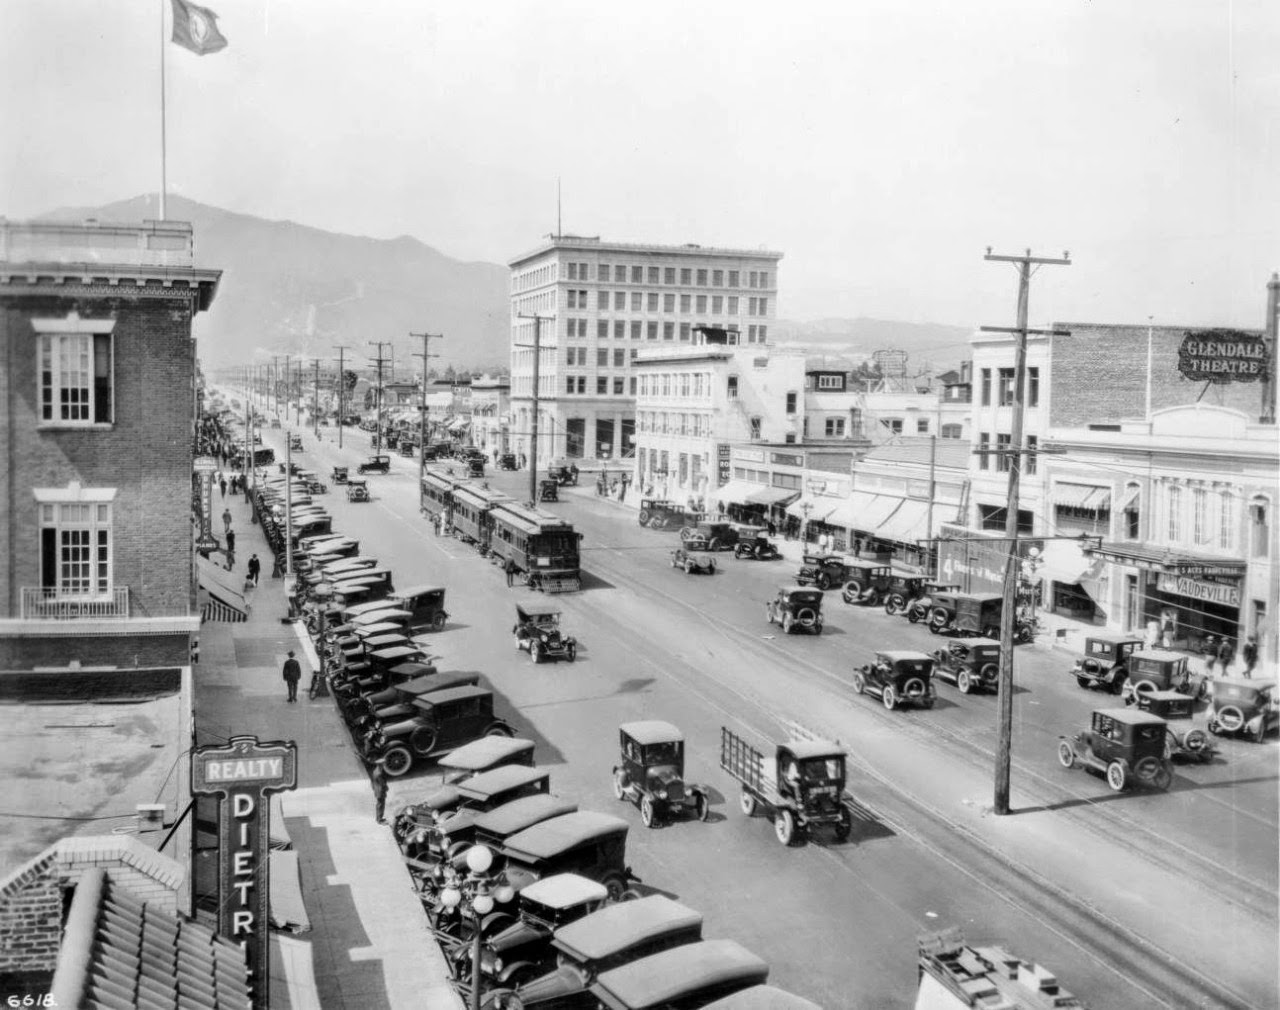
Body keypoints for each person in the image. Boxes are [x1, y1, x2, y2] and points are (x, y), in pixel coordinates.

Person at [371, 760, 389, 824]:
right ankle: (380, 820)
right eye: (383, 764)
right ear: (380, 765)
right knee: (381, 805)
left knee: (379, 804)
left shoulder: (375, 771)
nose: (384, 765)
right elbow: (382, 783)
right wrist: (386, 787)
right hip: (380, 791)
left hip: (377, 790)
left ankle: (378, 818)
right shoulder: (379, 773)